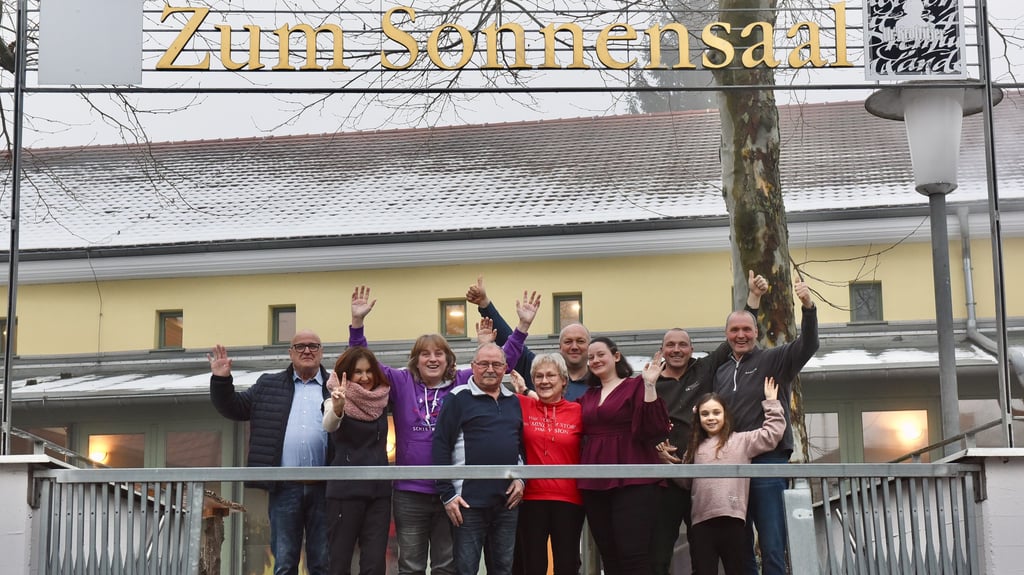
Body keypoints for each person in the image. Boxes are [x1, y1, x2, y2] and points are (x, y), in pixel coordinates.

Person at [348, 285, 540, 575]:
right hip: (410, 491)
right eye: (425, 354)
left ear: (449, 359)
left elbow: (501, 362)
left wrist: (522, 327)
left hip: (451, 493)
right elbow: (364, 363)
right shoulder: (401, 382)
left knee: (446, 566)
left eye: (439, 353)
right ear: (416, 360)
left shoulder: (461, 383)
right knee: (410, 566)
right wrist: (357, 323)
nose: (432, 359)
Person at [650, 271, 768, 575]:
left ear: (691, 349)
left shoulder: (702, 369)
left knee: (704, 556)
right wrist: (655, 449)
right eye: (670, 345)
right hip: (666, 480)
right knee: (659, 553)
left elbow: (736, 337)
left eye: (683, 345)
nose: (677, 350)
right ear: (662, 350)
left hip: (702, 479)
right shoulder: (650, 382)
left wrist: (753, 299)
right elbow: (640, 424)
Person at [712, 278, 819, 575]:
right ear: (726, 335)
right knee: (740, 545)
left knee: (772, 544)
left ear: (757, 332)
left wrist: (808, 307)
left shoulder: (774, 359)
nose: (741, 335)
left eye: (747, 329)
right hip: (732, 464)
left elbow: (809, 345)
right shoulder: (721, 372)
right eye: (734, 330)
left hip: (768, 462)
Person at [208, 331, 331, 575]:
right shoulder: (268, 385)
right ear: (290, 353)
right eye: (300, 346)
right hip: (284, 488)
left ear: (321, 352)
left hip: (326, 488)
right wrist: (221, 380)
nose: (307, 351)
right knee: (284, 563)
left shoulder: (334, 385)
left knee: (322, 563)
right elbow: (234, 407)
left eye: (313, 346)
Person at [578, 336, 670, 575]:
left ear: (616, 356)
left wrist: (650, 385)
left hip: (634, 478)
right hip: (595, 481)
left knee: (633, 554)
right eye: (591, 357)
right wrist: (527, 391)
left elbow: (654, 429)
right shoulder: (588, 396)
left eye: (601, 354)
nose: (595, 360)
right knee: (609, 555)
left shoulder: (636, 385)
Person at [432, 343, 527, 575]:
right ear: (473, 366)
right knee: (466, 570)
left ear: (505, 368)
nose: (490, 369)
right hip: (467, 503)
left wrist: (522, 479)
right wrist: (447, 494)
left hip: (507, 502)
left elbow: (521, 447)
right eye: (484, 363)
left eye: (496, 364)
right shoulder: (458, 398)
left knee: (503, 569)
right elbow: (441, 445)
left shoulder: (514, 401)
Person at [682, 377, 785, 575]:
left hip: (733, 520)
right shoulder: (694, 447)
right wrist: (666, 464)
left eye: (716, 412)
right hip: (701, 523)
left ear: (725, 415)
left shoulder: (741, 441)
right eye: (705, 414)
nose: (711, 418)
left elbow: (771, 435)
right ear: (698, 419)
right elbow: (685, 482)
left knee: (737, 570)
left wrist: (771, 403)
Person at [509, 356, 585, 575]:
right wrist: (525, 392)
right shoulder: (521, 404)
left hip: (569, 499)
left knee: (567, 564)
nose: (544, 381)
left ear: (564, 380)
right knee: (533, 565)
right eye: (539, 376)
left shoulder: (578, 410)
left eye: (551, 375)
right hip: (531, 498)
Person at [322, 347, 392, 575]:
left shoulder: (382, 400)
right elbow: (329, 424)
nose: (365, 377)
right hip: (345, 493)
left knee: (375, 564)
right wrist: (338, 408)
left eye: (369, 371)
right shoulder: (334, 399)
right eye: (358, 372)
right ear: (347, 374)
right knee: (339, 563)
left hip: (379, 494)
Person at [466, 276, 591, 399]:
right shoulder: (541, 370)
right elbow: (510, 341)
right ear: (560, 347)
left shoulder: (599, 379)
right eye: (568, 342)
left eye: (580, 341)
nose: (574, 346)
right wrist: (485, 305)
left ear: (589, 346)